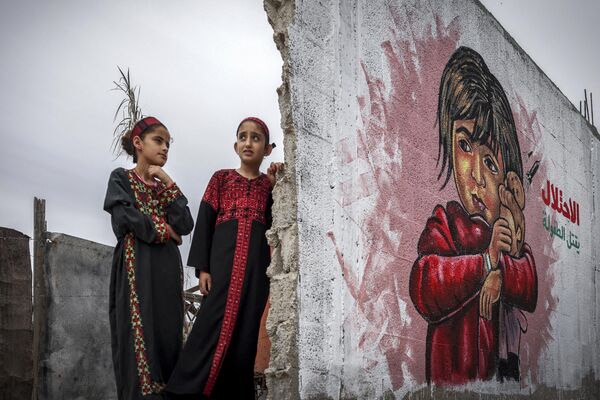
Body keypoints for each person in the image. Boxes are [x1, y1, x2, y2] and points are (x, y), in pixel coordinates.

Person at [409, 47, 538, 385]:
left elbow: (528, 281)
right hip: (450, 384)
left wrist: (501, 270)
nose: (477, 176)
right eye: (465, 146)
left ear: (508, 179)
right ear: (450, 144)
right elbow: (425, 283)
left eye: (491, 163)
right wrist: (484, 263)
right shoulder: (447, 223)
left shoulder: (505, 233)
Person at [166, 117, 283, 399]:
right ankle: (185, 390)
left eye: (256, 138)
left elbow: (277, 224)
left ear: (267, 149)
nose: (248, 142)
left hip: (255, 275)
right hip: (221, 269)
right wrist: (202, 269)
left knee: (245, 335)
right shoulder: (221, 179)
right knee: (209, 326)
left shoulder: (269, 188)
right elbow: (205, 222)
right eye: (243, 137)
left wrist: (279, 184)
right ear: (235, 145)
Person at [104, 116, 194, 399]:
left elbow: (186, 225)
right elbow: (125, 218)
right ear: (138, 143)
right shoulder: (121, 178)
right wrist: (165, 232)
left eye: (168, 144)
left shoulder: (163, 190)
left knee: (168, 330)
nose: (165, 147)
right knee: (138, 332)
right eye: (158, 140)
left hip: (167, 270)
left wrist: (167, 181)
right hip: (136, 266)